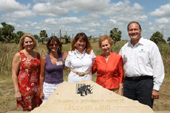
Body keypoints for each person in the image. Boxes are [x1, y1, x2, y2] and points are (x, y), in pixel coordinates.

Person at [119, 21, 165, 108]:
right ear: (128, 32)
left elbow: (158, 66)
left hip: (145, 83)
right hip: (128, 83)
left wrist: (156, 88)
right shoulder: (124, 48)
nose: (133, 32)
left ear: (140, 31)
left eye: (135, 29)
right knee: (128, 109)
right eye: (130, 30)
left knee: (145, 109)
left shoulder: (150, 45)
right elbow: (118, 66)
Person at [12, 33, 42, 111]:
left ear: (34, 42)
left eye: (30, 41)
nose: (29, 44)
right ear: (23, 43)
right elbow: (14, 74)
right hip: (25, 87)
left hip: (37, 87)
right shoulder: (19, 55)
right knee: (27, 109)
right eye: (26, 42)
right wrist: (17, 91)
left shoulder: (37, 55)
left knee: (37, 109)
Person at [39, 36, 67, 104]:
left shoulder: (63, 55)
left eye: (56, 44)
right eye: (51, 44)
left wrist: (64, 67)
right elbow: (42, 75)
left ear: (59, 45)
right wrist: (41, 91)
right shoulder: (44, 58)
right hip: (48, 86)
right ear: (48, 46)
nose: (54, 46)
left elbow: (72, 60)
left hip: (60, 85)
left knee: (59, 105)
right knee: (47, 105)